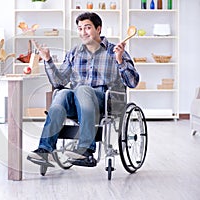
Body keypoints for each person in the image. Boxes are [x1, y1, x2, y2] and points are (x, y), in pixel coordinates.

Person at [27, 12, 139, 167]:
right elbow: (59, 82)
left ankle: (85, 150)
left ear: (98, 29)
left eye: (87, 28)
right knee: (62, 93)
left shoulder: (116, 52)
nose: (83, 32)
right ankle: (45, 150)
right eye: (80, 29)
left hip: (105, 102)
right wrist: (48, 60)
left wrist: (120, 61)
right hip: (78, 101)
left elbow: (133, 82)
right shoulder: (75, 53)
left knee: (82, 90)